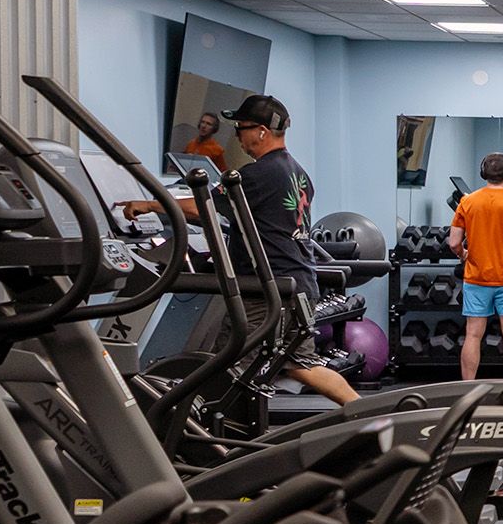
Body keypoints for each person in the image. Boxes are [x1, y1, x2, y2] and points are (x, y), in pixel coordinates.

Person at [119, 94, 356, 406]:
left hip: (268, 289)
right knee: (301, 365)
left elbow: (204, 206)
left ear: (260, 131)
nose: (238, 137)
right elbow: (252, 220)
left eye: (240, 129)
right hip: (299, 285)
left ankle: (213, 438)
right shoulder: (298, 173)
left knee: (226, 366)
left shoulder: (256, 174)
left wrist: (150, 204)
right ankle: (366, 410)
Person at [451, 151, 503, 381]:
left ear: (483, 173)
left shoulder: (467, 201)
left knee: (472, 335)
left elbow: (454, 242)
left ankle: (467, 387)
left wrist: (464, 255)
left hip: (476, 279)